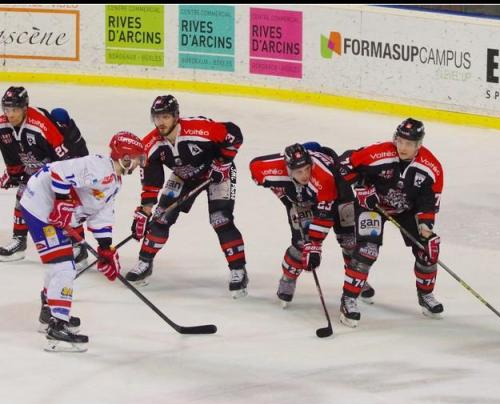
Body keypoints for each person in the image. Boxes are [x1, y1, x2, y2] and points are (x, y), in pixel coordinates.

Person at [19, 131, 146, 352]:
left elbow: (100, 214)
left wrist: (106, 248)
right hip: (40, 208)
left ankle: (49, 313)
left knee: (57, 263)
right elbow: (58, 172)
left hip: (47, 211)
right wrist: (61, 201)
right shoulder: (98, 166)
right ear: (125, 156)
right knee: (63, 267)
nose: (138, 163)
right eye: (136, 157)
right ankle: (57, 326)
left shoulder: (114, 182)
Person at [124, 95, 248, 298]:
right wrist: (145, 210)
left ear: (176, 116)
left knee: (221, 219)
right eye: (157, 117)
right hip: (183, 175)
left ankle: (238, 270)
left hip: (217, 173)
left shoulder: (198, 129)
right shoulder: (152, 144)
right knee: (161, 217)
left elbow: (233, 133)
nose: (160, 122)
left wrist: (223, 162)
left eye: (165, 117)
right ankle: (145, 262)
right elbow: (152, 179)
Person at [335, 118, 444, 327]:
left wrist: (425, 228)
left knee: (428, 249)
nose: (402, 147)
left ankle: (426, 296)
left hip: (406, 209)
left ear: (419, 145)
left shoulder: (431, 168)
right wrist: (360, 187)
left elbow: (428, 202)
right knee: (367, 250)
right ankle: (348, 300)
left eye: (409, 144)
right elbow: (342, 164)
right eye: (400, 141)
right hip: (372, 205)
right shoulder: (379, 153)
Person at [249, 143, 374, 308]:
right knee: (301, 243)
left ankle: (356, 280)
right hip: (304, 201)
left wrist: (314, 246)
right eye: (299, 171)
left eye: (307, 169)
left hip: (338, 196)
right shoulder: (271, 168)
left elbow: (324, 215)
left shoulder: (323, 176)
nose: (304, 175)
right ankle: (288, 279)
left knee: (349, 241)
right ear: (288, 169)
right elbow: (255, 168)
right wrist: (280, 192)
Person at [0, 86, 90, 263]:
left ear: (24, 108)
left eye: (14, 109)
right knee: (23, 193)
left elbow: (64, 158)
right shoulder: (2, 128)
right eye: (7, 109)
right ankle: (19, 241)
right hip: (40, 165)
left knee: (66, 202)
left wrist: (60, 183)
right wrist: (14, 174)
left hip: (67, 160)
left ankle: (78, 246)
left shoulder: (40, 126)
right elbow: (11, 157)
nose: (10, 115)